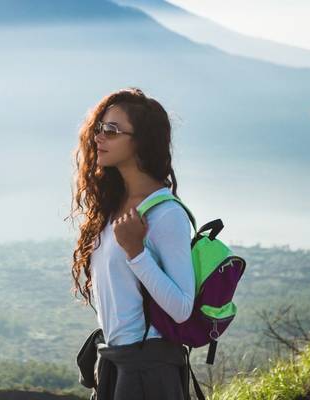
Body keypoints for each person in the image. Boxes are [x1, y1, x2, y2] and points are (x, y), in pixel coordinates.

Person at [68, 87, 196, 400]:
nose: (99, 137)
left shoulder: (166, 214)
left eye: (111, 130)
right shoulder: (114, 206)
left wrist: (136, 253)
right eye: (99, 128)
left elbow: (182, 308)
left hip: (149, 372)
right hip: (117, 365)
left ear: (141, 141)